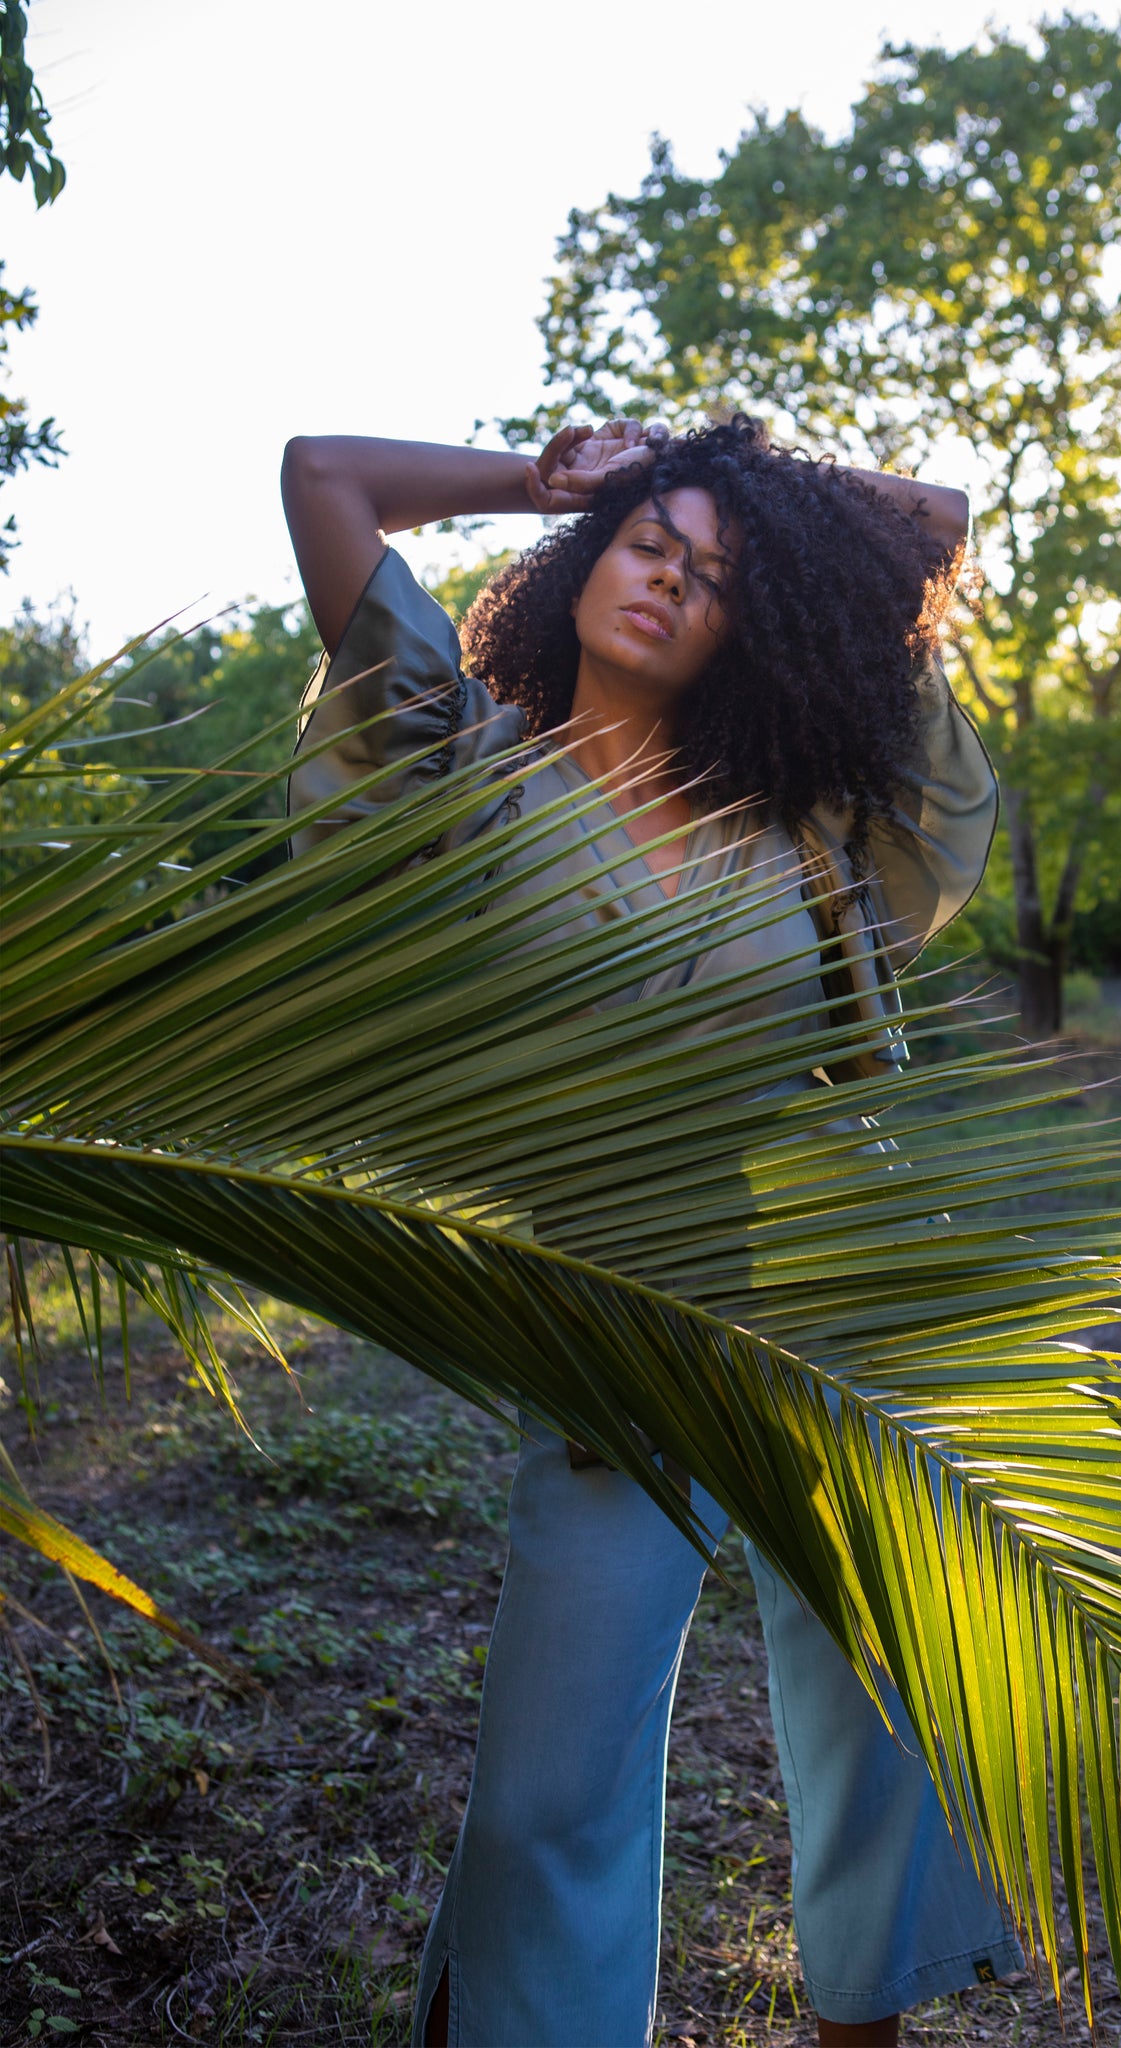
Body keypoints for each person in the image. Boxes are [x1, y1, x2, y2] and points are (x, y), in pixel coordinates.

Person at [283, 415, 1020, 2048]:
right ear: (583, 565)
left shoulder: (809, 827)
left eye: (715, 577)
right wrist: (556, 474)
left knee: (887, 1706)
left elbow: (934, 516)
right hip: (613, 1351)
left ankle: (860, 2029)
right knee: (547, 1794)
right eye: (646, 545)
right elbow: (324, 476)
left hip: (834, 1305)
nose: (671, 582)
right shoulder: (460, 769)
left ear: (749, 626)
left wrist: (726, 484)